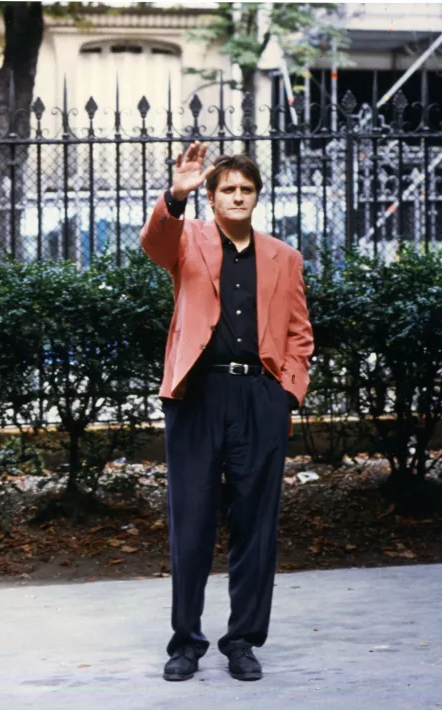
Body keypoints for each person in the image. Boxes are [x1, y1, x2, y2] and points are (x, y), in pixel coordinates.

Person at [140, 145, 313, 682]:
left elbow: (299, 334)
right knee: (191, 522)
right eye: (228, 190)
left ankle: (243, 641)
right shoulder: (186, 238)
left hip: (259, 398)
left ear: (256, 197)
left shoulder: (284, 257)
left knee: (256, 525)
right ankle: (186, 643)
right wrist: (176, 195)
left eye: (246, 190)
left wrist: (285, 394)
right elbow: (154, 243)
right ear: (212, 198)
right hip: (197, 396)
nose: (237, 197)